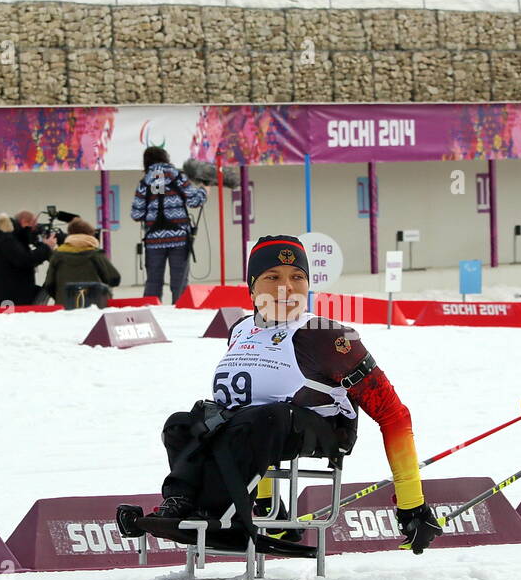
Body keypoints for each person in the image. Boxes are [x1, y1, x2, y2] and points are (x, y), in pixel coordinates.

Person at [120, 234, 442, 555]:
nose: (286, 288)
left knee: (266, 416)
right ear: (252, 287)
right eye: (272, 277)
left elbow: (393, 413)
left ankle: (217, 513)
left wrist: (411, 503)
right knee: (184, 423)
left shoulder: (326, 335)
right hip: (261, 429)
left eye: (297, 277)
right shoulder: (242, 329)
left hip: (322, 430)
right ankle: (183, 502)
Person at [130, 147, 206, 304]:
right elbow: (194, 201)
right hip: (179, 238)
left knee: (153, 281)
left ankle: (151, 310)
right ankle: (180, 310)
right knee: (179, 281)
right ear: (166, 158)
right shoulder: (178, 177)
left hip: (153, 240)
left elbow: (136, 214)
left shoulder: (145, 181)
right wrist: (205, 190)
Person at [0, 210, 57, 311]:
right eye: (34, 226)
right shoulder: (6, 239)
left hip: (11, 296)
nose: (34, 230)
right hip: (2, 300)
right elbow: (24, 260)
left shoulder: (16, 239)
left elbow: (25, 260)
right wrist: (46, 247)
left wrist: (42, 247)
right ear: (25, 222)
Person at [41, 217, 122, 309]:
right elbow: (114, 279)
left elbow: (49, 284)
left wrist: (63, 297)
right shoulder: (96, 255)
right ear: (90, 235)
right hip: (94, 308)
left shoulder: (57, 256)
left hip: (65, 308)